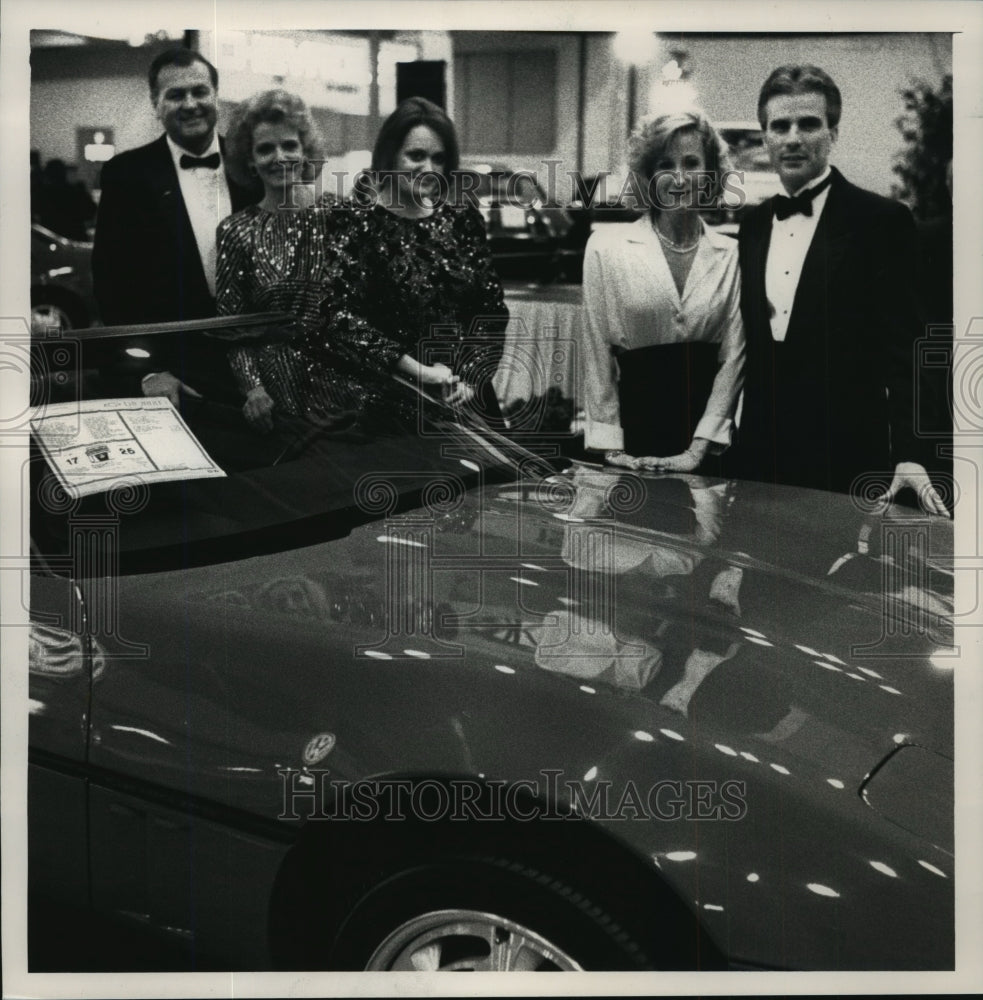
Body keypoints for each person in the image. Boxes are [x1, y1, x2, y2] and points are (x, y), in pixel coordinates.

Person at [735, 64, 948, 516]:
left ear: (833, 132)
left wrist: (910, 451)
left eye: (809, 124)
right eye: (780, 126)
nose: (793, 138)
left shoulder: (882, 221)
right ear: (766, 137)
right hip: (759, 464)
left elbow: (910, 350)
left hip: (846, 464)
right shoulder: (752, 225)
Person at [306, 97, 508, 425]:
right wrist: (421, 372)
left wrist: (470, 375)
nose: (428, 168)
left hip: (465, 399)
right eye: (416, 155)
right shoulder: (356, 221)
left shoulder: (461, 218)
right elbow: (338, 316)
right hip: (392, 401)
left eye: (438, 158)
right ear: (390, 156)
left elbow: (490, 310)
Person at [91, 47, 260, 405]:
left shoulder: (254, 166)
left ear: (216, 96)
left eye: (199, 91)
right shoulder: (126, 175)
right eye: (175, 95)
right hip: (175, 375)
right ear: (156, 104)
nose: (190, 104)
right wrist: (147, 372)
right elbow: (112, 286)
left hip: (258, 374)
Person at [580, 109, 745, 474]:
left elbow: (733, 360)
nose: (680, 178)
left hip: (707, 450)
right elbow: (596, 354)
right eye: (665, 164)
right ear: (648, 176)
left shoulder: (732, 254)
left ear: (711, 174)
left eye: (691, 163)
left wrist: (698, 449)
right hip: (632, 444)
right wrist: (612, 447)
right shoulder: (605, 248)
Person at [217, 89, 348, 432]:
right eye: (265, 148)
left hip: (348, 391)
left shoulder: (341, 215)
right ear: (249, 160)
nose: (280, 157)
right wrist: (253, 389)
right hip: (277, 404)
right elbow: (233, 329)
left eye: (289, 145)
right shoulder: (236, 230)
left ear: (305, 153)